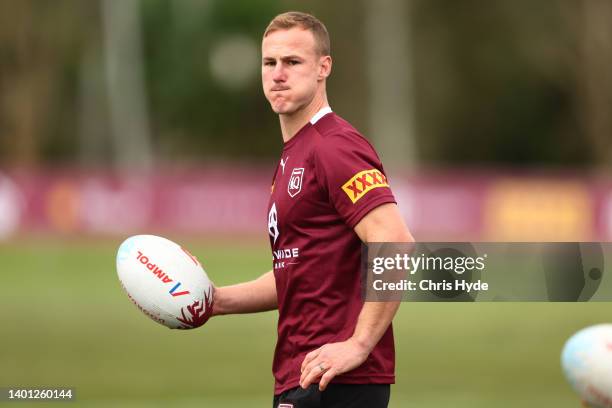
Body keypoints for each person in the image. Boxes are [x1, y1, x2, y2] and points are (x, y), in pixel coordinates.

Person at [211, 11, 414, 408]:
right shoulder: (297, 151)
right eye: (269, 63)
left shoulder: (333, 146)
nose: (278, 74)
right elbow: (298, 270)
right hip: (305, 374)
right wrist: (216, 300)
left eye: (292, 62)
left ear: (324, 68)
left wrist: (358, 344)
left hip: (335, 380)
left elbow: (394, 241)